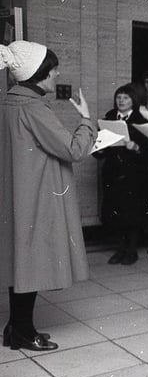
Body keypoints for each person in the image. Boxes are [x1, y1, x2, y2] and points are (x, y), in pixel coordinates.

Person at [0, 40, 97, 351]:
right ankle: (24, 331)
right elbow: (73, 149)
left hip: (13, 195)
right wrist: (86, 120)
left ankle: (14, 328)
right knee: (31, 260)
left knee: (19, 260)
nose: (57, 74)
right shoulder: (34, 108)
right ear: (38, 74)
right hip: (36, 195)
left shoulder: (7, 103)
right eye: (53, 70)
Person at [96, 84, 148, 265]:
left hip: (133, 175)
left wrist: (135, 147)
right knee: (115, 212)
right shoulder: (109, 118)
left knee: (132, 213)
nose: (121, 101)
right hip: (113, 172)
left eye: (126, 98)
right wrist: (99, 147)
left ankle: (131, 250)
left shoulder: (141, 121)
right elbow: (98, 151)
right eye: (119, 97)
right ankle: (120, 248)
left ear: (134, 101)